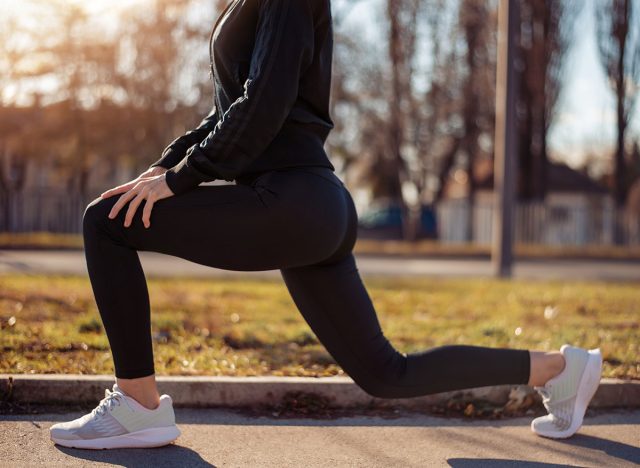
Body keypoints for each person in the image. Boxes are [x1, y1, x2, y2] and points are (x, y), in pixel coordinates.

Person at [49, 0, 603, 450]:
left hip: (294, 198)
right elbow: (231, 109)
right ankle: (559, 369)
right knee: (387, 373)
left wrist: (179, 180)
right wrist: (167, 165)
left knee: (105, 223)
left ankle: (139, 407)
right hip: (314, 205)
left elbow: (264, 104)